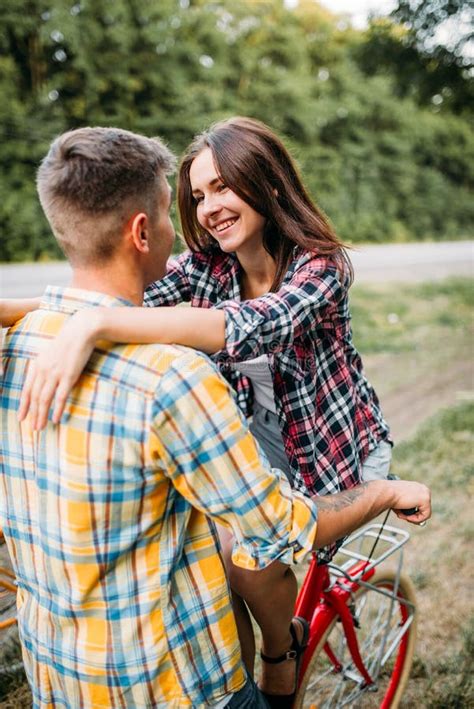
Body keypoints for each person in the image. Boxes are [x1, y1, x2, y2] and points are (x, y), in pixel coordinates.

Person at [0, 127, 431, 709]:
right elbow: (127, 302)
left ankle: (282, 651)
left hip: (330, 452)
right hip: (254, 443)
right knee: (213, 568)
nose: (208, 208)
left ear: (267, 184)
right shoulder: (207, 267)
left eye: (223, 188)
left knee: (243, 551)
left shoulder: (320, 268)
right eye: (198, 195)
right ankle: (242, 673)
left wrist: (93, 325)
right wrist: (49, 314)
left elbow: (239, 326)